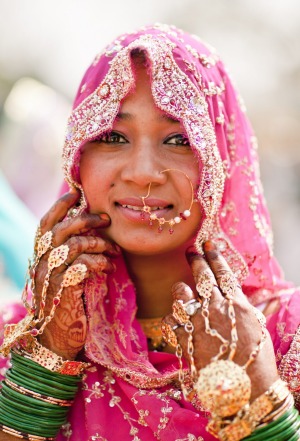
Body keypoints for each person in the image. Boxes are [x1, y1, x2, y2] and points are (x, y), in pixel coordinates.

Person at [0, 24, 299, 441]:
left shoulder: (285, 338)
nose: (142, 173)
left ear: (223, 160)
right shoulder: (24, 339)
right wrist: (48, 361)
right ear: (76, 159)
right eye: (112, 136)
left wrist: (259, 402)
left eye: (179, 139)